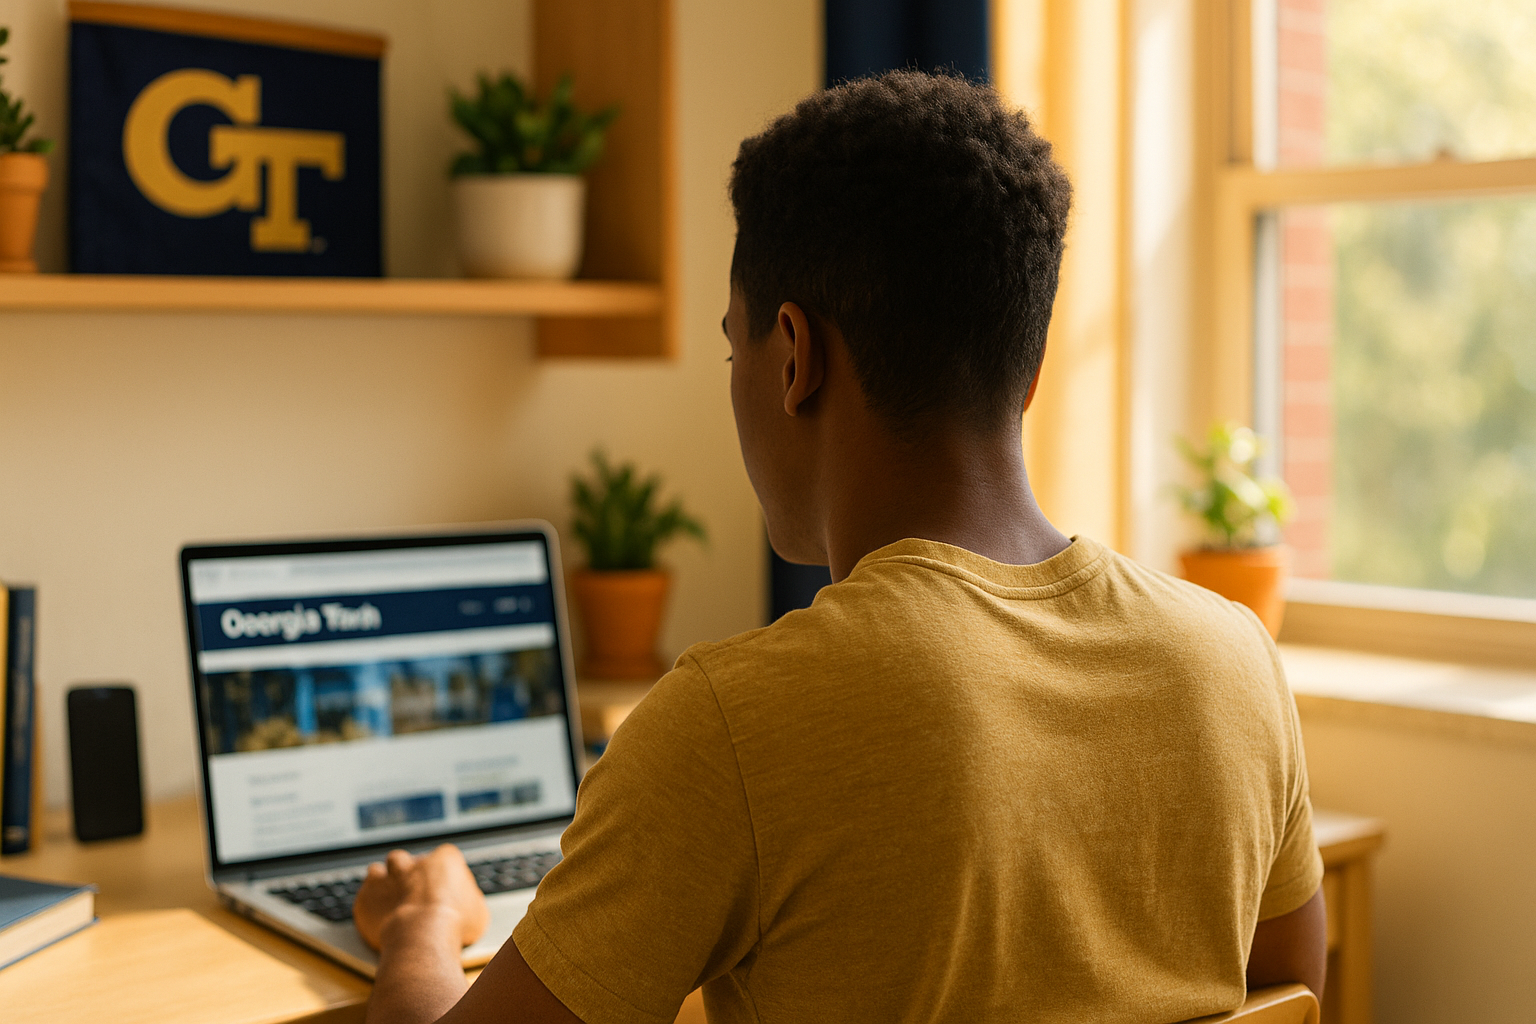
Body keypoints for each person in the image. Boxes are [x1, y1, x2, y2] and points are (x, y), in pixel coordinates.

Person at [353, 70, 1327, 1024]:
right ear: (1024, 374)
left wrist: (425, 926)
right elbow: (1291, 991)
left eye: (735, 350)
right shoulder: (1235, 659)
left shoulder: (732, 727)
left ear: (793, 356)